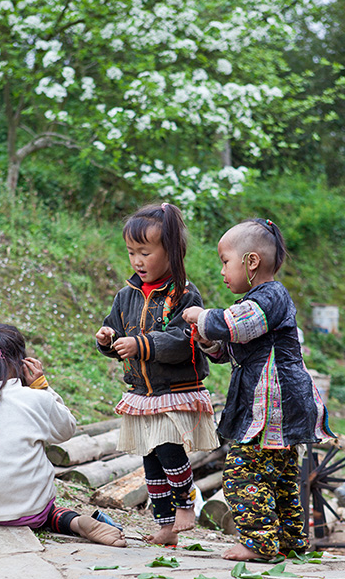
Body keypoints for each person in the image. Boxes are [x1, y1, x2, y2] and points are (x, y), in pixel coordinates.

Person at [183, 218, 335, 560]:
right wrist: (207, 339)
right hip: (275, 407)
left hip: (274, 406)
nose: (222, 270)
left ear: (251, 262)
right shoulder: (258, 302)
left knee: (242, 472)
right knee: (278, 474)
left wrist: (201, 316)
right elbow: (232, 346)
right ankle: (289, 540)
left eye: (225, 261)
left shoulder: (270, 296)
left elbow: (233, 325)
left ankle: (260, 542)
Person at [0, 323, 126, 547]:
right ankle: (74, 522)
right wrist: (42, 387)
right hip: (31, 512)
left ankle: (62, 519)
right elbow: (66, 430)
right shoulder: (36, 400)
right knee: (47, 511)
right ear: (23, 363)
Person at [95, 203, 219, 546]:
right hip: (143, 392)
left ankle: (186, 504)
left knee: (168, 450)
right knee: (150, 461)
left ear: (172, 252)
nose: (137, 260)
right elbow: (114, 328)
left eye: (145, 252)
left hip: (174, 388)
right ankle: (165, 527)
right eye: (131, 252)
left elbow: (184, 341)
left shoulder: (183, 295)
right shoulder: (126, 296)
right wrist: (106, 339)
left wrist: (142, 344)